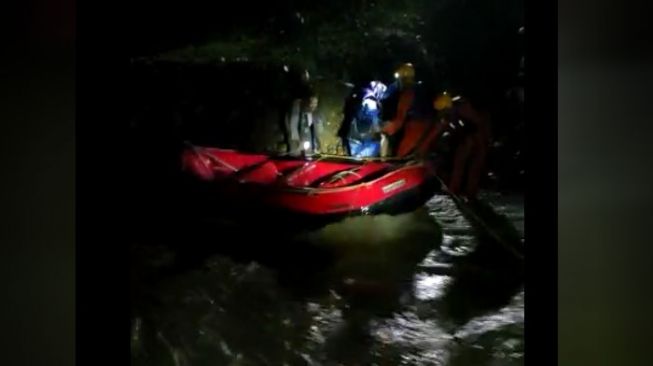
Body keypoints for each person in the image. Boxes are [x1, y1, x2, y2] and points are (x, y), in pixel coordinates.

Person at [434, 92, 492, 199]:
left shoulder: (460, 110)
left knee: (463, 165)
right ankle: (468, 192)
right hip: (475, 139)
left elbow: (471, 125)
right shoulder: (461, 109)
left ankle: (458, 191)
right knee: (470, 167)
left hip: (472, 140)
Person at [379, 63, 419, 156]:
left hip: (398, 124)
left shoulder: (408, 91)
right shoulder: (397, 88)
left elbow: (402, 112)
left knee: (393, 147)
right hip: (394, 122)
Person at [340, 81, 387, 157]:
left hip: (353, 135)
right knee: (375, 147)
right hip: (363, 138)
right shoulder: (372, 102)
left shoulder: (361, 97)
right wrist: (382, 131)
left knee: (354, 160)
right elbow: (376, 125)